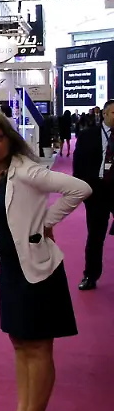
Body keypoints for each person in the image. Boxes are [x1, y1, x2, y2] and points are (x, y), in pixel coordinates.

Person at [0, 111, 88, 411]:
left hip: (37, 270)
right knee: (20, 344)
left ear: (9, 139)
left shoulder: (26, 170)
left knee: (38, 347)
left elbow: (79, 188)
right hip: (10, 268)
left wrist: (47, 222)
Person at [71, 100, 114, 290]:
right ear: (104, 114)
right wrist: (82, 189)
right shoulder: (88, 135)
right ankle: (90, 275)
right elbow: (78, 164)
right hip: (97, 191)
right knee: (96, 237)